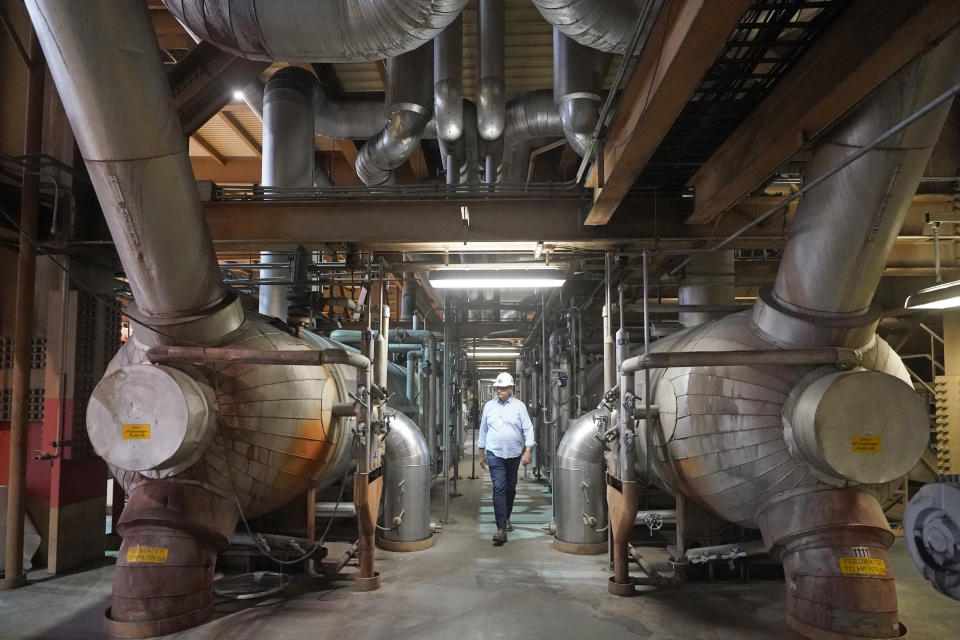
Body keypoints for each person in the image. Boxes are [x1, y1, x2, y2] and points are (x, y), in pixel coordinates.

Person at [477, 371, 535, 546]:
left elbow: (528, 429)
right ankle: (500, 528)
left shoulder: (519, 406)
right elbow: (483, 430)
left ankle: (506, 517)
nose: (499, 391)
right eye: (498, 388)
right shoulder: (489, 406)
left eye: (503, 388)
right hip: (495, 453)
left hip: (514, 453)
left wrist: (528, 450)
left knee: (510, 488)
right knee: (499, 488)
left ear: (511, 389)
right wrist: (481, 452)